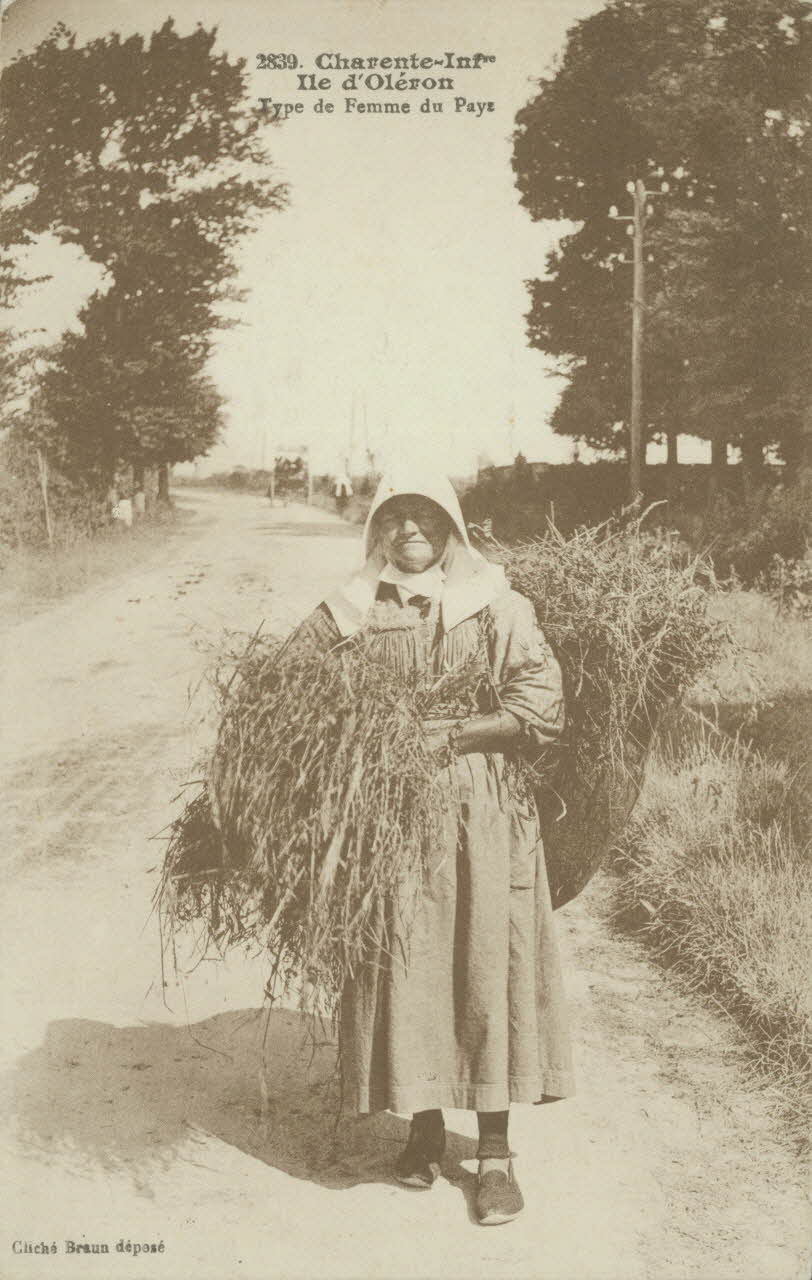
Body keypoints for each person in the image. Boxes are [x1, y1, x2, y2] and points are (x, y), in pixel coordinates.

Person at [291, 467, 573, 1225]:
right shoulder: (353, 607)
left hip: (480, 809)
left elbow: (540, 707)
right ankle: (419, 1128)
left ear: (452, 527)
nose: (411, 531)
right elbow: (288, 679)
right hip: (390, 815)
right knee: (403, 964)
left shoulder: (498, 605)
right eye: (397, 518)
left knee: (484, 963)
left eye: (426, 517)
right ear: (378, 527)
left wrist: (446, 734)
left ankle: (493, 1154)